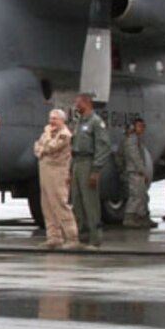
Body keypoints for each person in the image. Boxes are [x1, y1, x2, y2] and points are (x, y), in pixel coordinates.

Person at [69, 93, 112, 249]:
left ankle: (95, 239)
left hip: (88, 163)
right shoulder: (79, 122)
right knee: (77, 201)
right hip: (77, 162)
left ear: (87, 103)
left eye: (78, 102)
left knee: (90, 202)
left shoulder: (96, 122)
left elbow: (103, 147)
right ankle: (81, 237)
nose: (76, 105)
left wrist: (96, 169)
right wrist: (70, 170)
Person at [33, 108, 77, 248]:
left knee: (60, 203)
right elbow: (37, 148)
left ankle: (71, 237)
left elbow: (52, 147)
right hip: (45, 170)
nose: (51, 121)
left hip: (57, 172)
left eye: (55, 119)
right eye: (50, 118)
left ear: (62, 120)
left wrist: (45, 141)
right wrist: (43, 147)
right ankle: (53, 236)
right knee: (46, 205)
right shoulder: (49, 134)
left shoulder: (64, 134)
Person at [120, 119, 153, 228]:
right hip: (134, 172)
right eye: (139, 126)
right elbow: (135, 157)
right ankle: (129, 218)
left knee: (141, 195)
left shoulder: (136, 140)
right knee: (135, 196)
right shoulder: (131, 141)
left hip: (136, 171)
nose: (142, 128)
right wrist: (143, 170)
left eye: (143, 126)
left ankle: (141, 217)